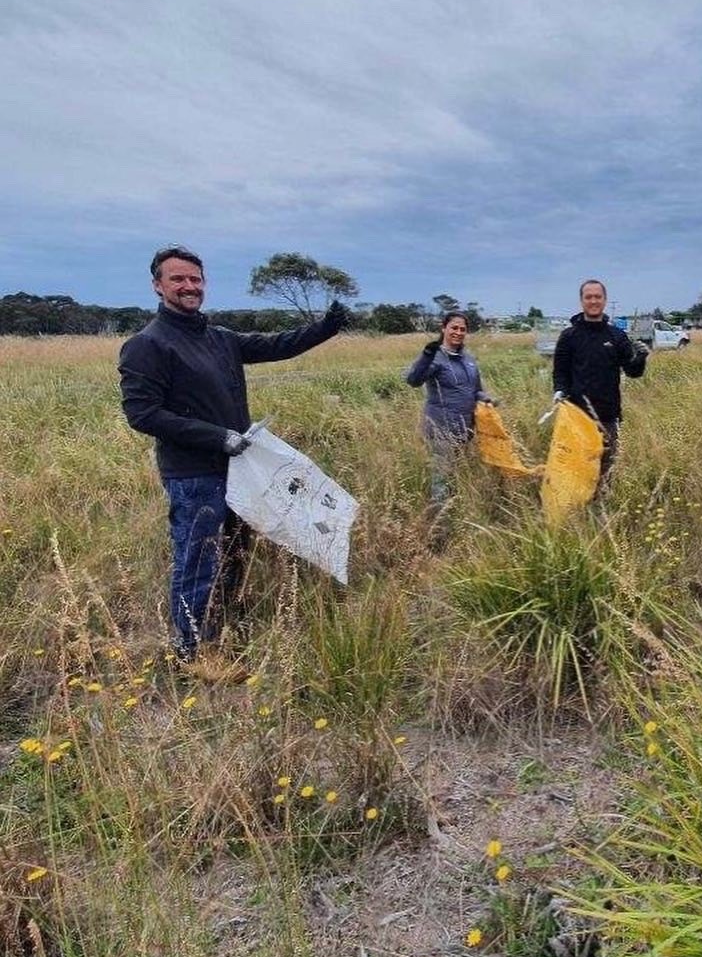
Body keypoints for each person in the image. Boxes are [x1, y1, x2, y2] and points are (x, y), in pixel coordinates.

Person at [118, 245, 347, 672]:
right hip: (194, 475)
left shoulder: (218, 337)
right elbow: (143, 414)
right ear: (157, 286)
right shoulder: (147, 345)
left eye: (195, 279)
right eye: (178, 279)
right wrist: (217, 436)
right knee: (198, 559)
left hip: (240, 471)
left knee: (235, 554)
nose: (189, 286)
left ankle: (221, 629)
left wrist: (326, 328)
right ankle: (194, 653)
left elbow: (278, 344)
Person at [552, 279, 648, 481]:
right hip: (576, 417)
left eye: (598, 297)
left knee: (605, 473)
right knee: (575, 471)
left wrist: (640, 358)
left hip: (608, 417)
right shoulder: (569, 336)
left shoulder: (617, 336)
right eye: (589, 297)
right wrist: (559, 390)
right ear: (581, 301)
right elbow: (560, 372)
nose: (593, 301)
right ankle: (576, 511)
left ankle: (600, 510)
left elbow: (633, 372)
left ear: (605, 300)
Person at [404, 310, 493, 510]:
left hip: (464, 430)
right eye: (454, 327)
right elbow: (413, 380)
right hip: (441, 431)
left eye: (463, 329)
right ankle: (439, 523)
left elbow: (475, 390)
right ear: (443, 328)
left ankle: (455, 511)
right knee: (441, 479)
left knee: (457, 474)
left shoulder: (468, 359)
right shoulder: (435, 357)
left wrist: (485, 398)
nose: (459, 332)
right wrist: (426, 356)